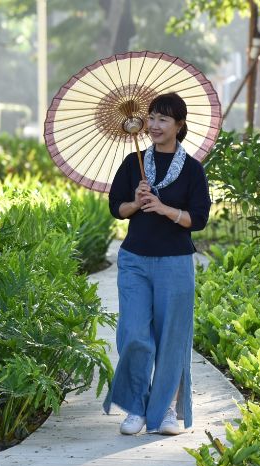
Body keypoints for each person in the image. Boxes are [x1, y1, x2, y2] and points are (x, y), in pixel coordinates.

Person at [102, 92, 211, 436]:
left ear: (179, 125)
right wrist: (136, 203)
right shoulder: (132, 163)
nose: (154, 125)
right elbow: (116, 208)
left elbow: (199, 219)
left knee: (171, 339)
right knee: (134, 335)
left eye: (163, 119)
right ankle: (136, 407)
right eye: (151, 118)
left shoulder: (192, 169)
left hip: (175, 263)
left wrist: (164, 209)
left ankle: (164, 411)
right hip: (135, 259)